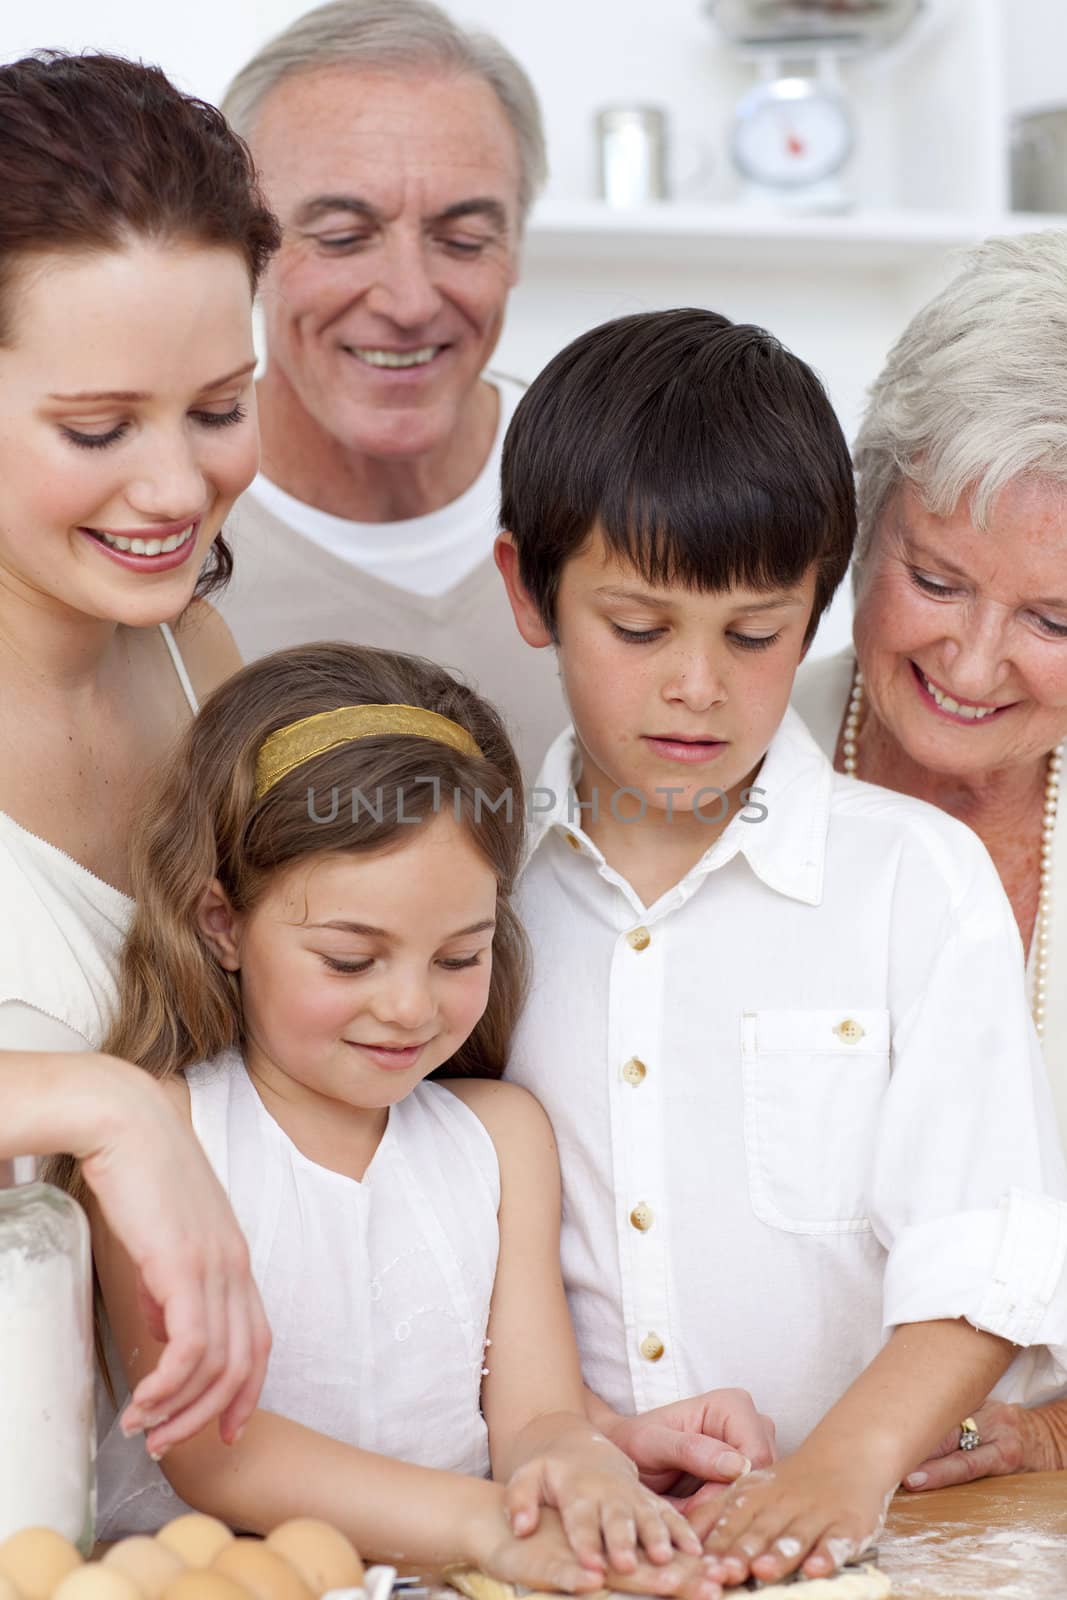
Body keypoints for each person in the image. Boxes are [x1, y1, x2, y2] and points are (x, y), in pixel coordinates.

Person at [493, 307, 1067, 1588]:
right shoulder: (477, 886)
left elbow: (982, 1247)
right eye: (639, 631)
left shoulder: (912, 879)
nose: (696, 684)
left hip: (865, 1545)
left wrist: (840, 1464)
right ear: (526, 593)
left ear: (812, 605)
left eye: (753, 635)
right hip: (568, 1536)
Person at [88, 639, 733, 1596]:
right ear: (223, 924)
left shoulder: (502, 1138)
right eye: (351, 960)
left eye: (459, 956)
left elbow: (533, 1416)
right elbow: (217, 1456)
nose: (409, 1009)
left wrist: (581, 1469)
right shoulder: (158, 1144)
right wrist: (491, 1528)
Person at [0, 50, 281, 1449]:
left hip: (136, 1500)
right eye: (97, 428)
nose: (177, 487)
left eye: (220, 408)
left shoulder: (193, 662)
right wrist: (97, 1104)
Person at [792, 230, 1067, 1492]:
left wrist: (1043, 1435)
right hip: (722, 1501)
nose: (969, 663)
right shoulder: (718, 760)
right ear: (861, 524)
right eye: (936, 579)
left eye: (1051, 619)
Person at [215, 0, 568, 780]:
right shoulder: (158, 528)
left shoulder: (612, 482)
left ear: (513, 249)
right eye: (342, 237)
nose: (409, 301)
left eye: (463, 240)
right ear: (246, 249)